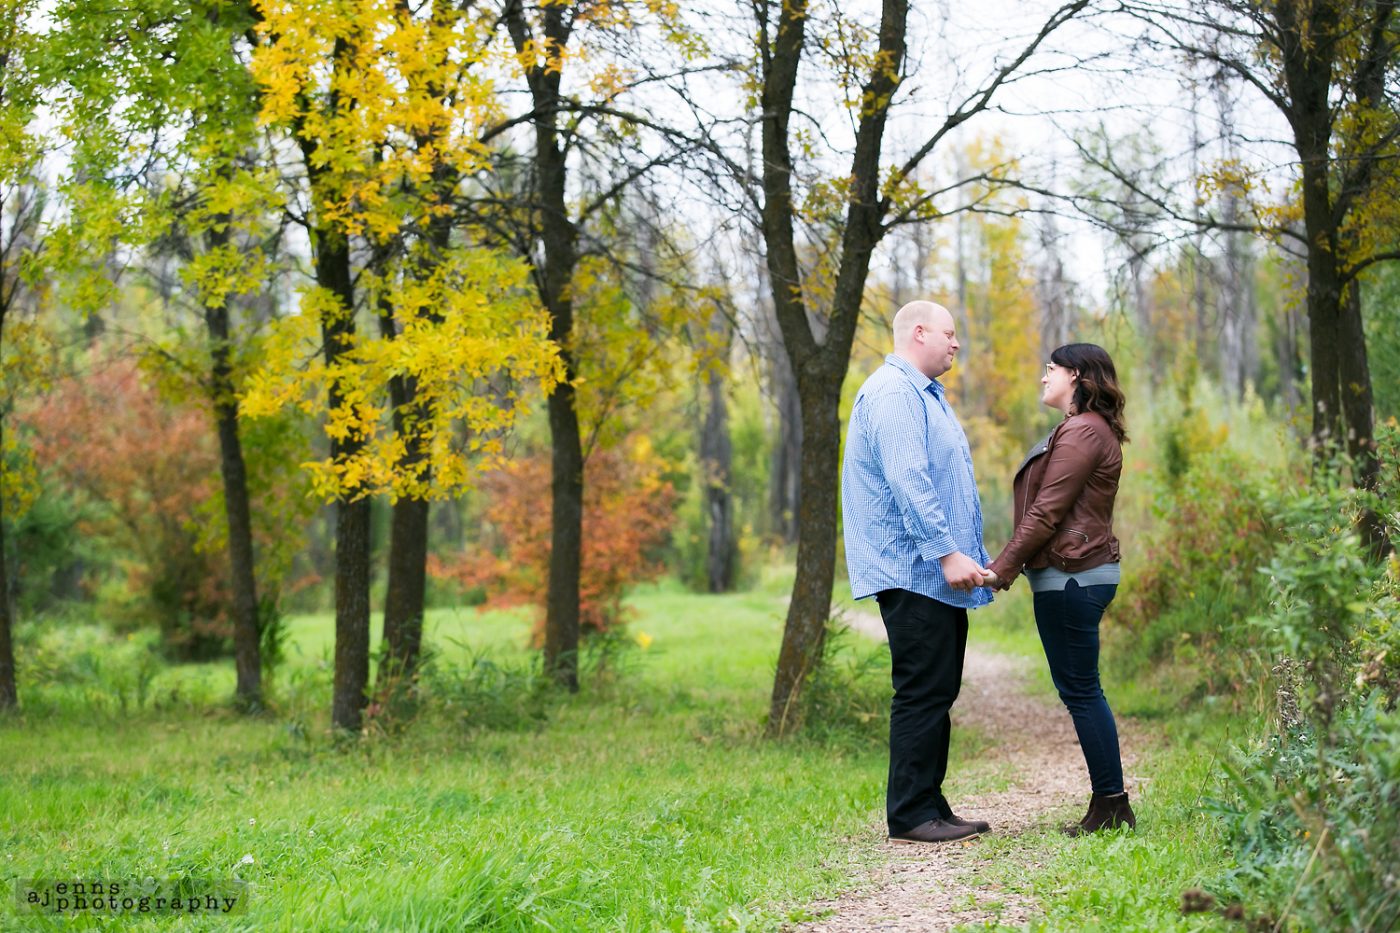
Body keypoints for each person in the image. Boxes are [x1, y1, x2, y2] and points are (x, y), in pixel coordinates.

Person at [842, 300, 994, 845]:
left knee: (939, 687)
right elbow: (908, 479)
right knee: (922, 689)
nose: (957, 344)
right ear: (920, 332)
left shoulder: (924, 396)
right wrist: (946, 552)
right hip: (913, 569)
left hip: (932, 572)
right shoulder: (892, 392)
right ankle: (909, 814)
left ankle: (929, 801)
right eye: (950, 334)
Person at [983, 343, 1135, 835]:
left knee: (1082, 691)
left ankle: (1112, 806)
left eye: (1051, 368)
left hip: (1073, 574)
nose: (1043, 375)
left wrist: (1001, 569)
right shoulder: (1085, 429)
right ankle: (1108, 803)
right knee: (1082, 689)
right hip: (1076, 572)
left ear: (1077, 376)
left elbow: (1046, 510)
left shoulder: (1082, 431)